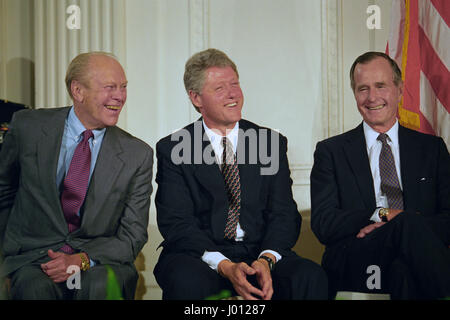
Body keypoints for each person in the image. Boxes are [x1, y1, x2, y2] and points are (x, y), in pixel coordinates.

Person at [153, 48, 327, 300]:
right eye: (220, 88)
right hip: (200, 255)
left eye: (234, 84)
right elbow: (177, 222)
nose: (233, 94)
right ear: (196, 98)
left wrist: (266, 260)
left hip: (260, 250)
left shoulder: (269, 143)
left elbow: (284, 214)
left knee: (309, 277)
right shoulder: (174, 148)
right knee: (186, 281)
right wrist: (225, 265)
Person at [0, 52, 153, 299]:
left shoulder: (138, 155)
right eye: (110, 87)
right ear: (78, 91)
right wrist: (7, 252)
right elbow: (4, 191)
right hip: (34, 256)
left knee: (100, 285)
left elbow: (132, 236)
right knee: (34, 288)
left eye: (123, 87)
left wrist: (81, 259)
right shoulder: (27, 127)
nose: (120, 96)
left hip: (100, 261)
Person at [310, 51, 450, 299]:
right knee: (405, 221)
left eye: (381, 86)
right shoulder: (331, 151)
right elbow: (323, 223)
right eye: (363, 89)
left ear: (399, 89)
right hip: (357, 255)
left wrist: (407, 227)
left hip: (416, 256)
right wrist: (383, 214)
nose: (372, 97)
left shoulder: (432, 149)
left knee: (404, 271)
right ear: (354, 94)